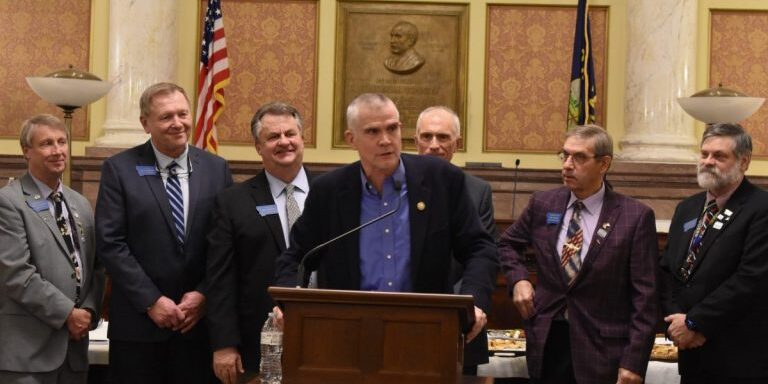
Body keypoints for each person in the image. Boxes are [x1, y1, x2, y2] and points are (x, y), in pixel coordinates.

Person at [274, 93, 497, 345]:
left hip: (427, 331)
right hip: (348, 333)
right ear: (351, 139)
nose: (386, 140)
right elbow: (297, 256)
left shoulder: (441, 180)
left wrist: (473, 303)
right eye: (373, 132)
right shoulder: (330, 191)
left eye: (392, 128)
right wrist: (287, 301)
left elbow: (480, 248)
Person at [498, 125, 658, 384]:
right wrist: (519, 279)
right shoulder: (543, 203)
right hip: (548, 340)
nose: (567, 165)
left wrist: (634, 362)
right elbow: (507, 244)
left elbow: (646, 299)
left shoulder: (634, 217)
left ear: (604, 164)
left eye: (579, 158)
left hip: (602, 350)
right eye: (565, 155)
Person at [95, 82, 232, 384]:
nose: (177, 123)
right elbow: (110, 243)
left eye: (183, 113)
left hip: (198, 327)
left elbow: (225, 244)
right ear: (146, 123)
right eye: (166, 116)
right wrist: (151, 301)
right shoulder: (119, 169)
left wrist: (204, 294)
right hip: (138, 329)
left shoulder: (216, 169)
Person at [206, 102, 310, 384]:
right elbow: (220, 279)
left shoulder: (331, 194)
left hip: (321, 341)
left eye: (290, 134)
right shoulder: (232, 202)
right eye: (273, 137)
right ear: (258, 147)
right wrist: (224, 344)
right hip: (254, 348)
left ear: (302, 139)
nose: (284, 142)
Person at [660, 123, 768, 384]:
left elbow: (750, 279)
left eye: (719, 156)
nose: (708, 161)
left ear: (744, 162)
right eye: (704, 154)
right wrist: (676, 323)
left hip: (739, 357)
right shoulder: (688, 208)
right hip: (691, 353)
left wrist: (696, 323)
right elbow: (667, 270)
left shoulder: (761, 208)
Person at [0, 114, 105, 383]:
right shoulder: (9, 202)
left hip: (74, 350)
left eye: (62, 142)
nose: (58, 151)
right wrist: (68, 314)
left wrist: (89, 313)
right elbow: (16, 273)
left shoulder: (80, 203)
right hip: (28, 354)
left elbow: (95, 267)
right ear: (26, 151)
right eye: (47, 143)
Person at [414, 105, 495, 374]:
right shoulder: (394, 185)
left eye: (443, 138)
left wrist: (458, 309)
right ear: (416, 142)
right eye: (426, 137)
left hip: (460, 320)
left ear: (457, 144)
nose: (433, 145)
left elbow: (480, 255)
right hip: (404, 319)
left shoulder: (477, 191)